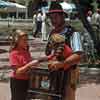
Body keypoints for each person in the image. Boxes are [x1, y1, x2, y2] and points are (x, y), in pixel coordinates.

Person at [44, 2, 83, 100]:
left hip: (68, 74)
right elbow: (48, 52)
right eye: (51, 18)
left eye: (56, 17)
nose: (53, 20)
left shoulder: (73, 33)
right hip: (53, 73)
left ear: (62, 17)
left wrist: (62, 63)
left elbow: (78, 55)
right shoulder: (52, 33)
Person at [9, 29, 38, 100]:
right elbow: (17, 71)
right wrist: (29, 65)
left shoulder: (26, 51)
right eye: (24, 40)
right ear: (17, 41)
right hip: (18, 82)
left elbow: (29, 64)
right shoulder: (14, 53)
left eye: (27, 40)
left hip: (27, 81)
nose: (26, 42)